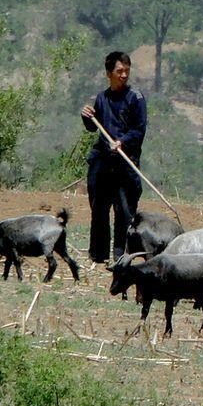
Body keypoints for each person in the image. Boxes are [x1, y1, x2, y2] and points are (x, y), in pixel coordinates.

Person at [80, 51, 148, 266]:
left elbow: (139, 130)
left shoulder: (135, 98)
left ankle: (121, 258)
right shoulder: (102, 98)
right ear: (109, 73)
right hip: (104, 163)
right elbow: (94, 127)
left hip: (126, 163)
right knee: (99, 209)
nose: (124, 75)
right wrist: (87, 116)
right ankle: (98, 256)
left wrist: (122, 142)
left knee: (125, 213)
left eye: (127, 70)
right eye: (119, 71)